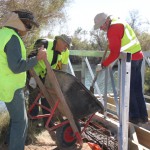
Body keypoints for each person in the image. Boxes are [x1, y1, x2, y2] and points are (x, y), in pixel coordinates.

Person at [0, 9, 47, 150]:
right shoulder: (13, 38)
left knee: (16, 119)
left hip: (3, 84)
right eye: (28, 26)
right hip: (12, 87)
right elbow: (16, 66)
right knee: (21, 122)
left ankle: (8, 143)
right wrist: (37, 59)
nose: (28, 30)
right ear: (20, 23)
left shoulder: (2, 34)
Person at [93, 12, 148, 124]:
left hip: (130, 60)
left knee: (129, 89)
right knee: (137, 89)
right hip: (138, 56)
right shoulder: (118, 21)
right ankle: (143, 116)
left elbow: (114, 53)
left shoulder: (113, 29)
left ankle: (134, 117)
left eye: (101, 26)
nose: (101, 29)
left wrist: (103, 64)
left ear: (106, 21)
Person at [27, 34, 72, 126]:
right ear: (60, 41)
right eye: (66, 45)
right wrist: (31, 77)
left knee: (47, 98)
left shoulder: (65, 52)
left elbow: (63, 68)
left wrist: (60, 81)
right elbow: (29, 60)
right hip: (33, 74)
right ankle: (33, 122)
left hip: (46, 76)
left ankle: (47, 122)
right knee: (34, 96)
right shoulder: (43, 43)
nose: (66, 48)